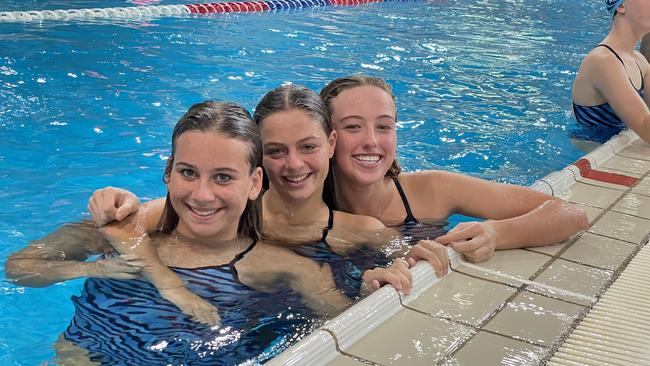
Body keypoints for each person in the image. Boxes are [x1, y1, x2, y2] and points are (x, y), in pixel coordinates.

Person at [5, 101, 407, 364]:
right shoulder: (124, 227)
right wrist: (90, 271)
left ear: (253, 184)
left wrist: (375, 290)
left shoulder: (281, 266)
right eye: (188, 173)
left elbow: (349, 327)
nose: (202, 195)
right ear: (168, 172)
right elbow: (18, 267)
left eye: (223, 178)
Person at [86, 85, 449, 302]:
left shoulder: (363, 231)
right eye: (276, 151)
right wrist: (119, 204)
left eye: (308, 147)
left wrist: (372, 288)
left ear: (330, 143)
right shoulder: (221, 207)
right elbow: (119, 228)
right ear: (257, 163)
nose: (294, 165)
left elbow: (403, 261)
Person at [320, 74, 589, 263]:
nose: (371, 141)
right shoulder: (300, 207)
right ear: (327, 137)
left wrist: (495, 233)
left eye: (383, 126)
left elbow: (570, 214)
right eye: (352, 126)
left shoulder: (432, 190)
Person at [571, 0, 650, 145]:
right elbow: (647, 130)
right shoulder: (603, 61)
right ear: (620, 6)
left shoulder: (640, 61)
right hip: (591, 158)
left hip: (620, 149)